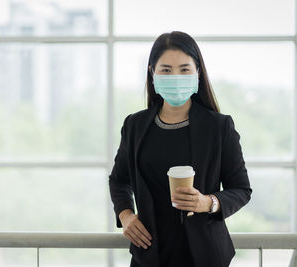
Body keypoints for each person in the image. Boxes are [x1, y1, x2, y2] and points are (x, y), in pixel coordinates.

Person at [108, 31, 252, 267]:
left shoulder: (219, 126)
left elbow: (241, 189)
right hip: (149, 254)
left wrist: (208, 202)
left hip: (205, 256)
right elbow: (118, 180)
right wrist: (126, 215)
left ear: (198, 72)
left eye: (184, 69)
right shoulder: (134, 125)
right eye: (166, 70)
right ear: (152, 73)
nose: (175, 76)